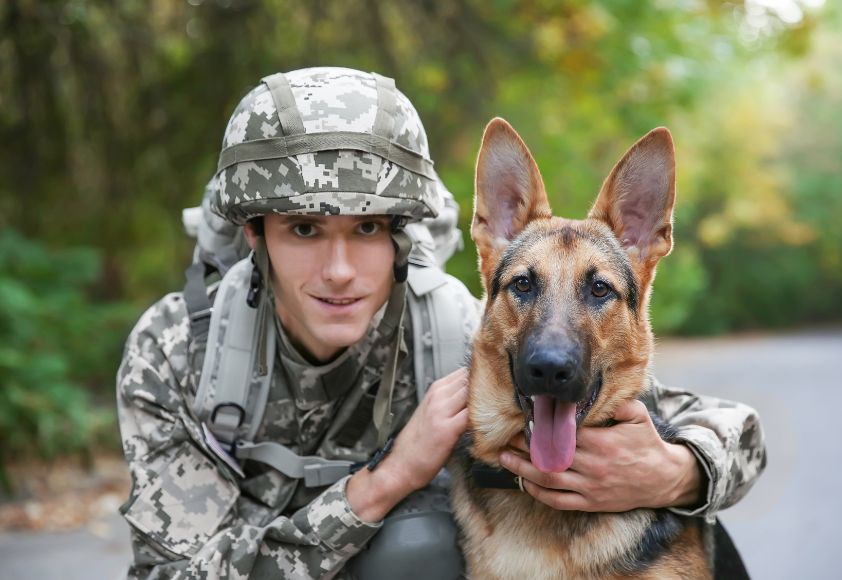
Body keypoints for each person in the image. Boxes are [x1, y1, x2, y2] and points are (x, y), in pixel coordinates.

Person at [116, 67, 766, 579]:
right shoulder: (178, 353)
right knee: (418, 543)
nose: (339, 269)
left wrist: (678, 473)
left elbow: (713, 424)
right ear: (255, 235)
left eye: (367, 228)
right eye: (305, 229)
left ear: (403, 236)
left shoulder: (463, 329)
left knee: (418, 550)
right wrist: (388, 480)